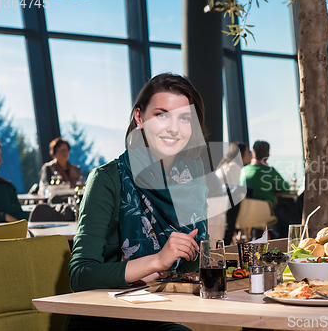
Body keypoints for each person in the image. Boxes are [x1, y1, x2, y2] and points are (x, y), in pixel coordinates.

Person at [66, 73, 209, 331]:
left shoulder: (191, 180)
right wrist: (157, 260)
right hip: (103, 319)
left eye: (184, 118)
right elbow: (80, 275)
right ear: (139, 118)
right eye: (161, 115)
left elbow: (189, 265)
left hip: (156, 313)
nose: (173, 128)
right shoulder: (107, 179)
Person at [239, 140, 290, 238]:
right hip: (265, 213)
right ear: (268, 155)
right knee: (285, 229)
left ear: (252, 153)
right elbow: (285, 189)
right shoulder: (271, 171)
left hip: (246, 214)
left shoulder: (244, 170)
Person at [216, 142, 251, 244]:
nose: (249, 155)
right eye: (247, 152)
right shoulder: (234, 167)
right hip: (227, 209)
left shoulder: (223, 166)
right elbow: (236, 191)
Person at [0, 139, 29, 223]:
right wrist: (4, 216)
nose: (1, 161)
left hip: (23, 223)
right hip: (9, 229)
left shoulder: (3, 184)